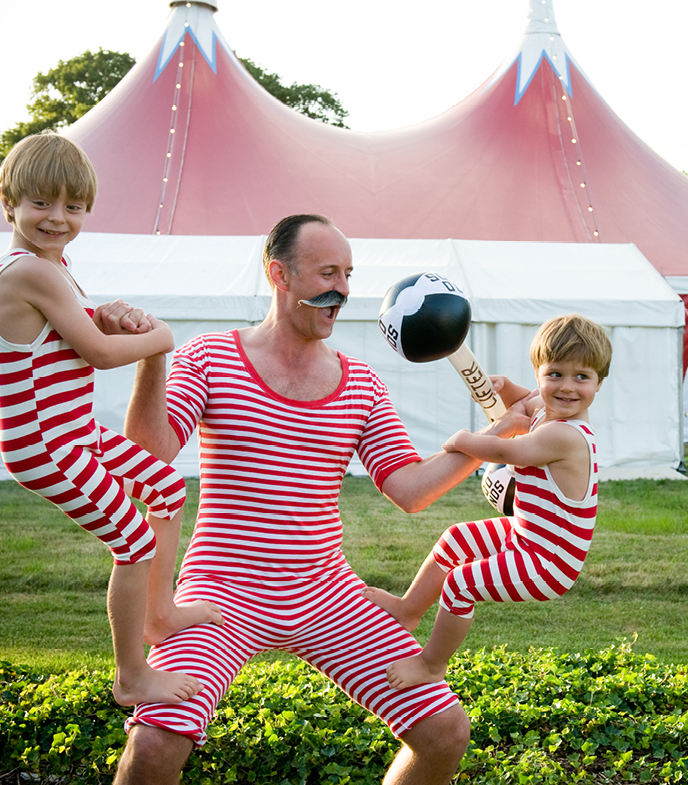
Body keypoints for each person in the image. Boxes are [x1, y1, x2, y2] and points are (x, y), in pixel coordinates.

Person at [113, 214, 528, 785]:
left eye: (349, 274)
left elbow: (408, 489)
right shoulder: (208, 357)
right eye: (327, 272)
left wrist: (499, 433)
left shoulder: (361, 384)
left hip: (325, 592)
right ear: (277, 273)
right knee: (156, 745)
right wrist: (152, 357)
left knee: (445, 733)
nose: (343, 289)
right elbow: (149, 452)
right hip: (221, 589)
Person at [0, 132, 223, 708]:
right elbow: (98, 353)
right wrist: (160, 336)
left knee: (165, 485)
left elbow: (77, 336)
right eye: (41, 202)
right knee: (134, 539)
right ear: (9, 201)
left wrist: (111, 316)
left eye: (73, 206)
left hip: (75, 431)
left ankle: (160, 613)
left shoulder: (56, 269)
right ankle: (131, 676)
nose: (57, 218)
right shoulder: (28, 272)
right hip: (44, 444)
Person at [364, 314, 612, 691]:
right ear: (539, 373)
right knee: (455, 540)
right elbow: (524, 399)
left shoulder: (566, 435)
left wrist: (462, 440)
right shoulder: (545, 407)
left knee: (462, 583)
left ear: (599, 382)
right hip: (525, 534)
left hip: (549, 561)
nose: (567, 388)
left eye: (582, 377)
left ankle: (431, 664)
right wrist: (505, 387)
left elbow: (505, 449)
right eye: (555, 374)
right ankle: (408, 609)